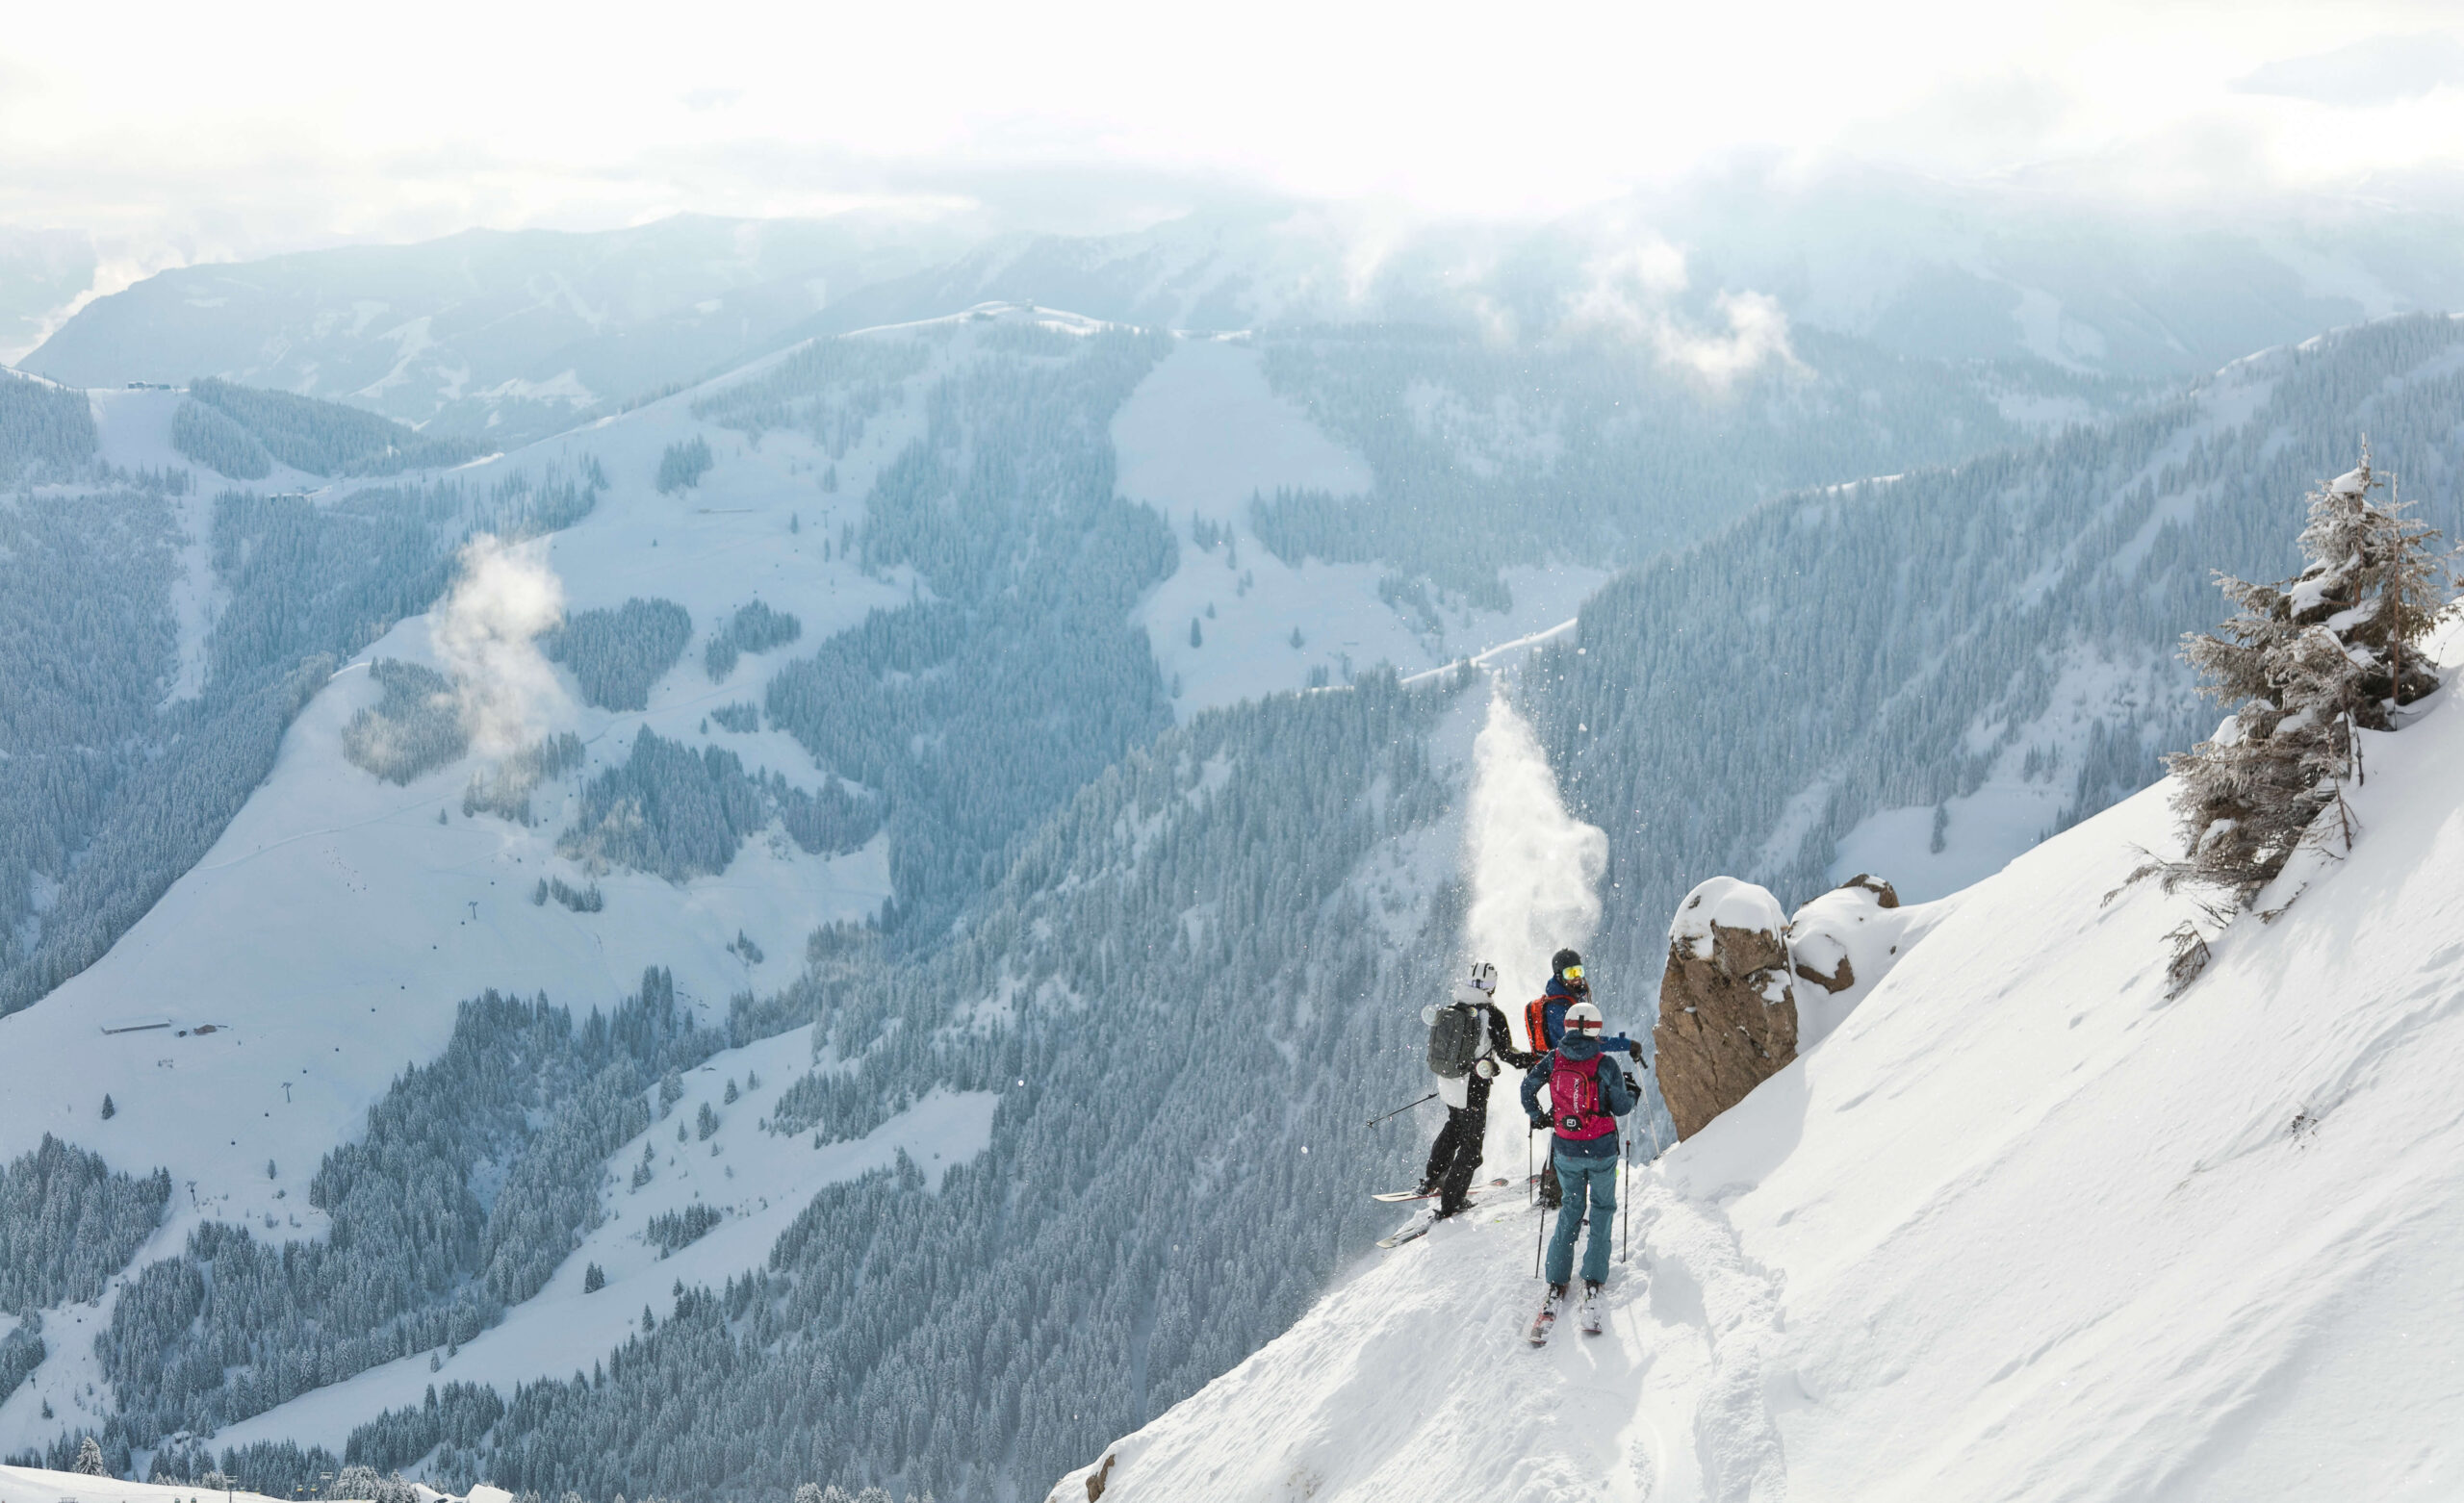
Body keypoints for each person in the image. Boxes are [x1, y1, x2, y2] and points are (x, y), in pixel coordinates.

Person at [1521, 999, 1636, 1332]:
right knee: (1601, 1208)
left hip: (1566, 1151)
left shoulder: (1554, 1059)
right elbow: (1621, 1107)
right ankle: (1593, 1280)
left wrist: (1539, 1117)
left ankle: (1557, 1281)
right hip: (1601, 1151)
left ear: (1569, 1027)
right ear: (1597, 1029)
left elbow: (1527, 1088)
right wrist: (1631, 1092)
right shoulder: (1605, 1064)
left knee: (1571, 1208)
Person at [1418, 961, 1538, 1219]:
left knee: (1454, 1126)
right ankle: (1452, 1202)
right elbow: (1508, 1054)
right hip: (1473, 1086)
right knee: (1472, 1147)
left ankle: (1433, 1176)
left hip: (1448, 1083)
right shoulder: (1492, 1015)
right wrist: (1533, 1059)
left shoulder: (1455, 1006)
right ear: (1493, 985)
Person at [1524, 949, 1641, 1207]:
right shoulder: (1560, 1007)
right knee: (1569, 1124)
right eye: (1571, 973)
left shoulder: (1566, 1000)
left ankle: (1556, 1183)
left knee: (1566, 1123)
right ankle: (1554, 1189)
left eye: (1580, 971)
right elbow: (1586, 1042)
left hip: (1565, 1073)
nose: (1577, 978)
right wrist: (1624, 1044)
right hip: (1567, 1072)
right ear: (1559, 975)